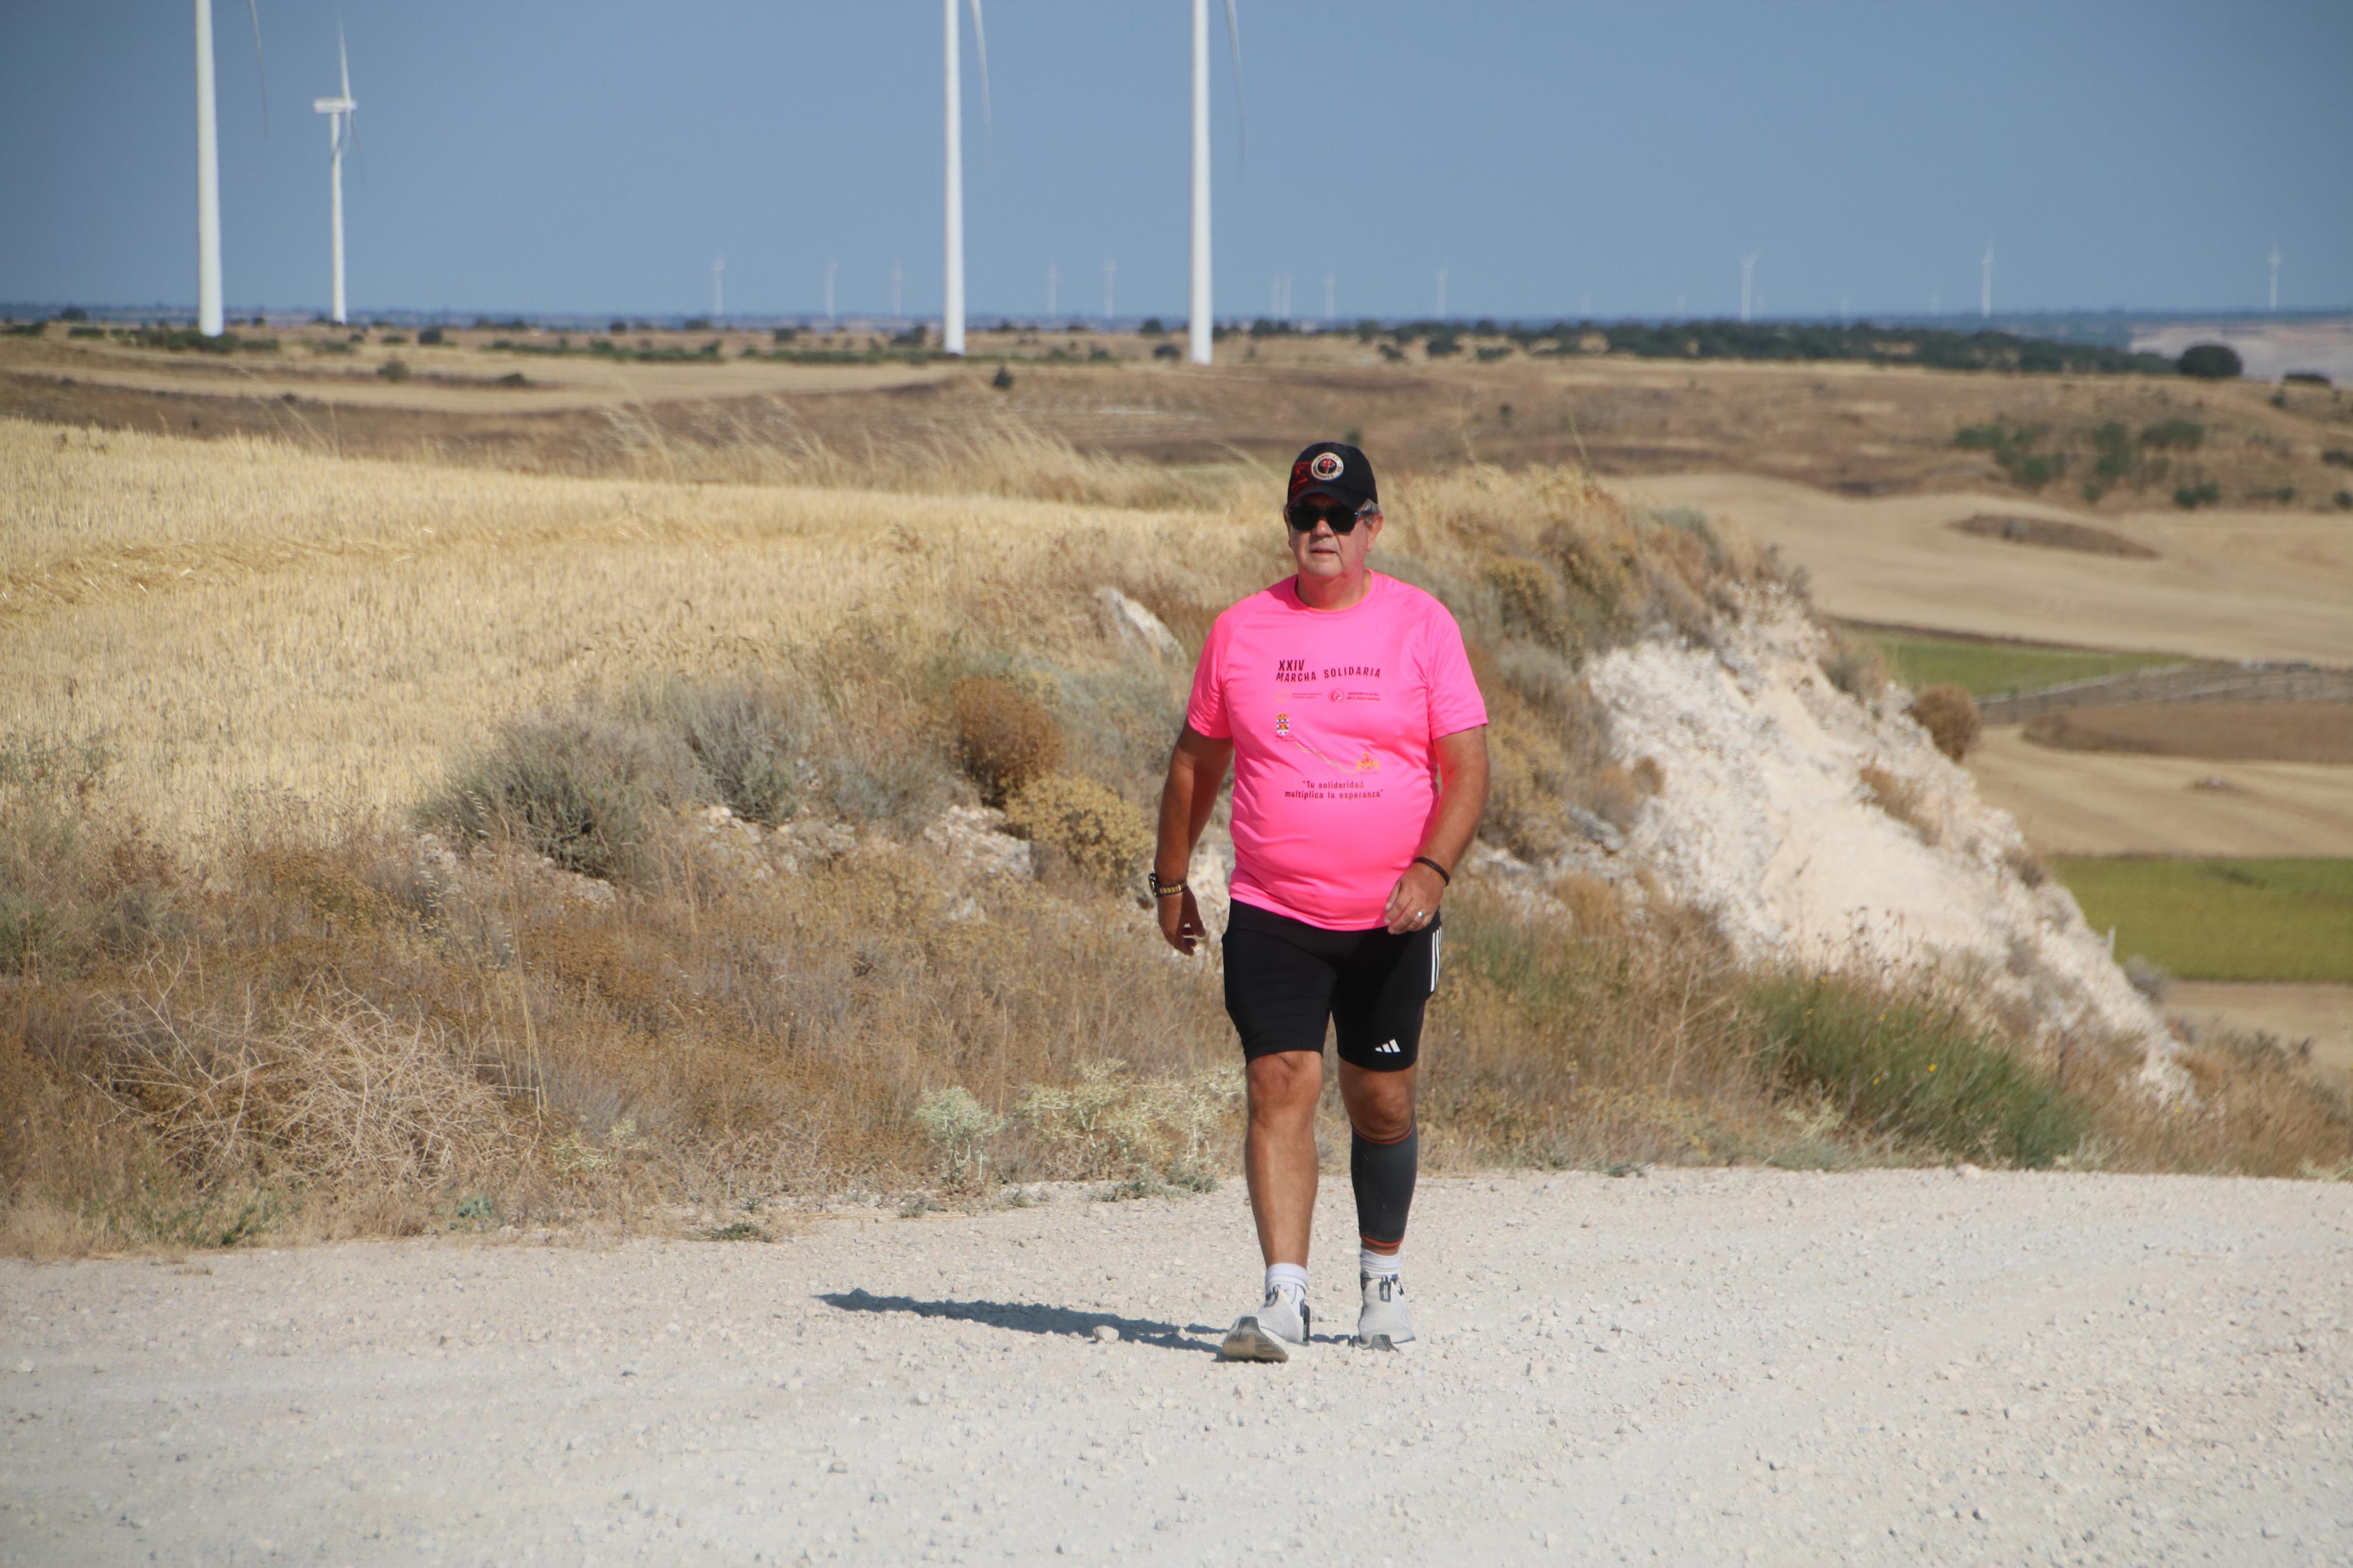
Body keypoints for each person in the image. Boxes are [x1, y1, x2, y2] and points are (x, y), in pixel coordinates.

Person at [1151, 440, 1489, 1360]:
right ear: (1290, 525)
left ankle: (1381, 1279)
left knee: (1380, 1100)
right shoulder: (1241, 631)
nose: (1323, 532)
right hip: (1273, 905)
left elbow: (1466, 766)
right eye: (1307, 516)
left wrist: (1433, 870)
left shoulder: (1423, 625)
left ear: (1373, 526)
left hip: (1394, 913)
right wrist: (1171, 879)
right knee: (1279, 1083)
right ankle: (1282, 1299)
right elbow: (1196, 762)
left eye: (1342, 518)